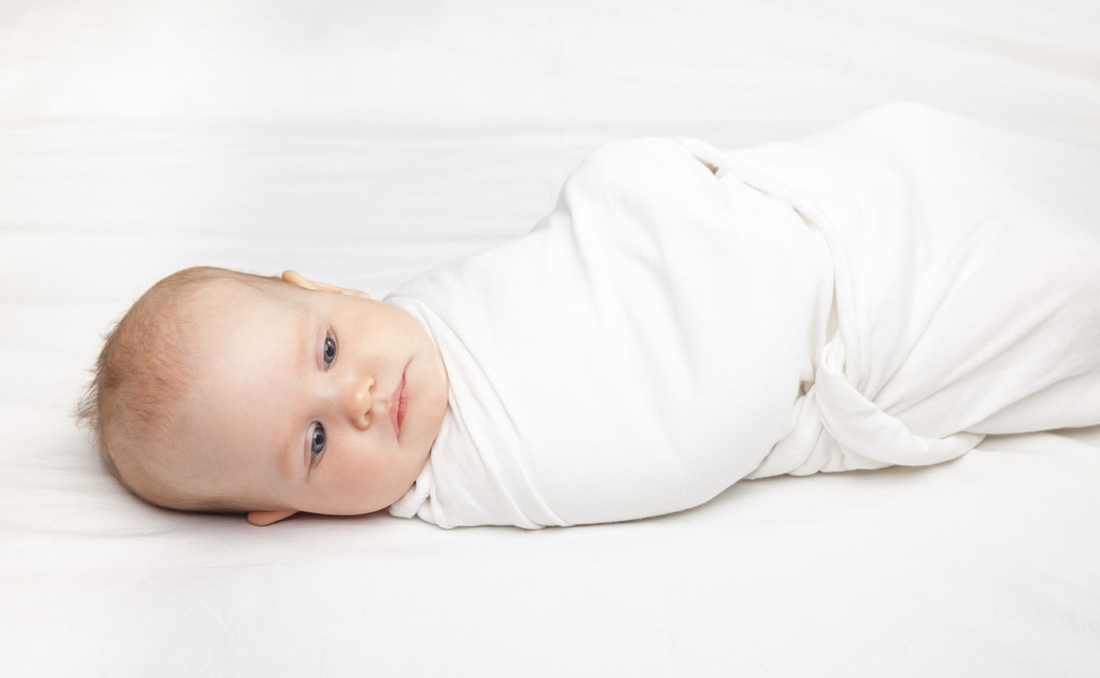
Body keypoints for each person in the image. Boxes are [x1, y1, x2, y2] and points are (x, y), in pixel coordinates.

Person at [77, 103, 1100, 529]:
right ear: (281, 513)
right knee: (1050, 289)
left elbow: (586, 256)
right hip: (851, 326)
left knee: (936, 152)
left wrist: (648, 192)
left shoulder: (422, 315)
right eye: (308, 442)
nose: (355, 398)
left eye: (328, 349)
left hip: (805, 212)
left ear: (321, 289)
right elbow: (677, 429)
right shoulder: (473, 477)